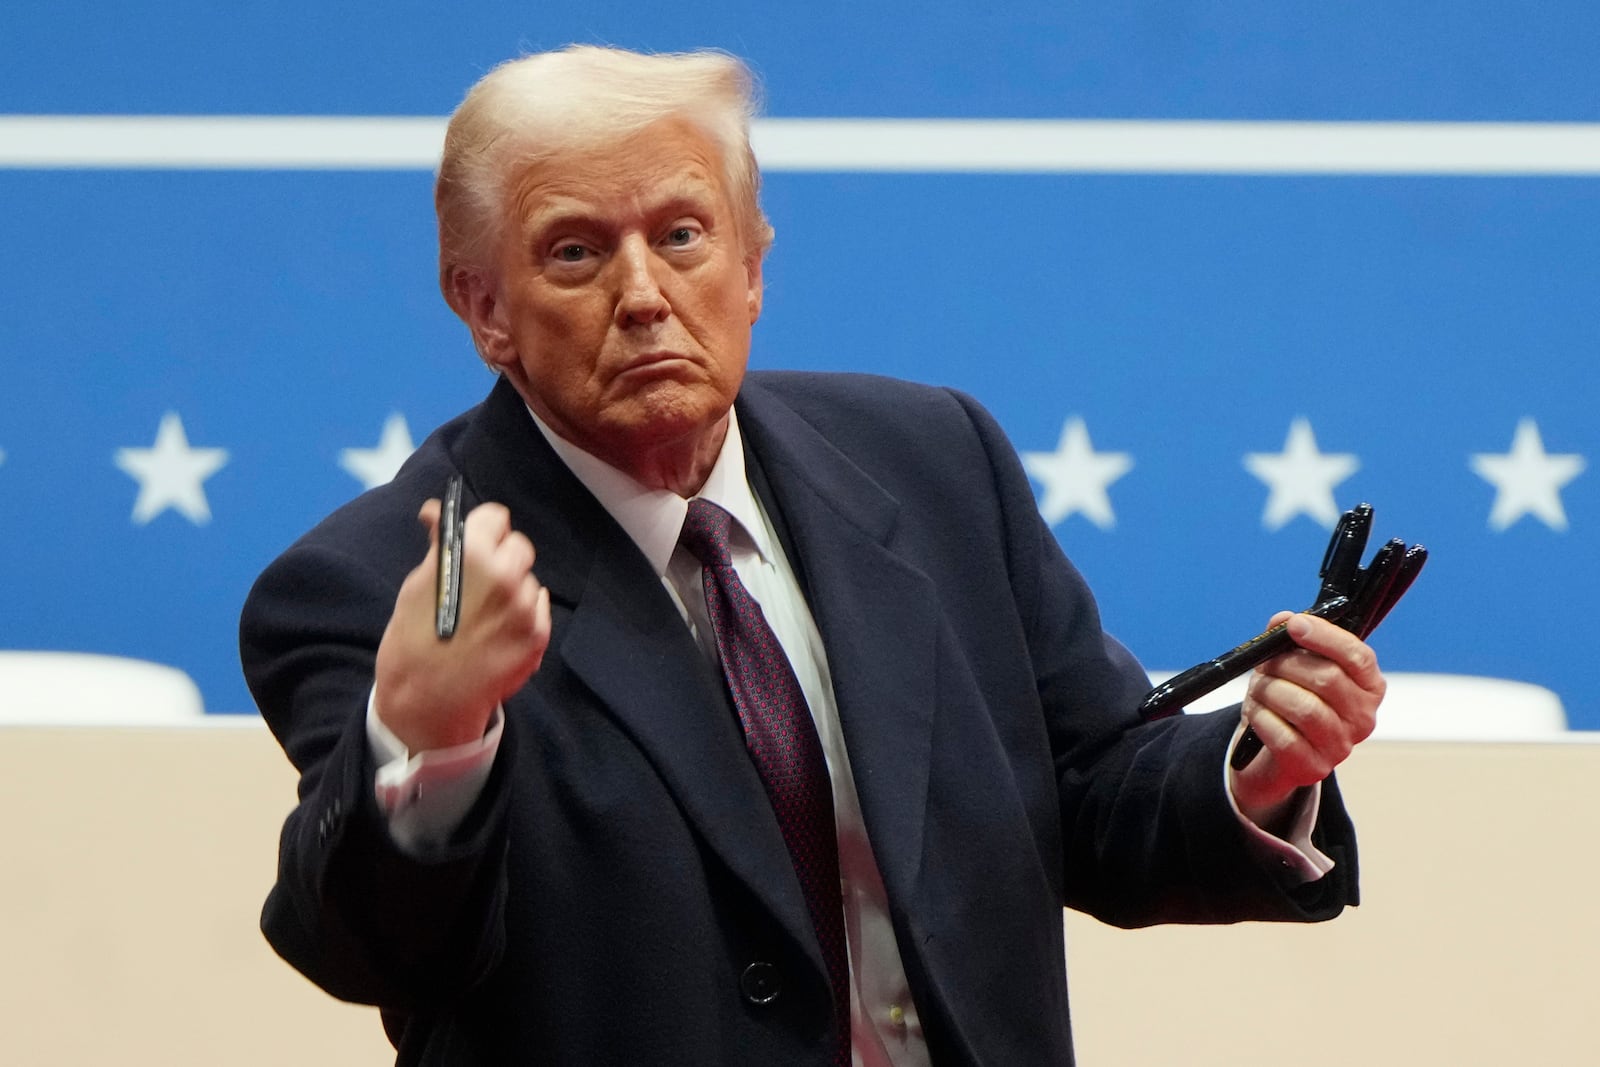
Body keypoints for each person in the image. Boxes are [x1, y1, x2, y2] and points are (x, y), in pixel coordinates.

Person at [241, 45, 1384, 1066]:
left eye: (681, 234)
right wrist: (427, 735)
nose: (644, 295)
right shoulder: (369, 583)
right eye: (577, 251)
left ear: (751, 264)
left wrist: (1255, 770)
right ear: (483, 307)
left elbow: (1089, 783)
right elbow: (369, 950)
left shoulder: (934, 462)